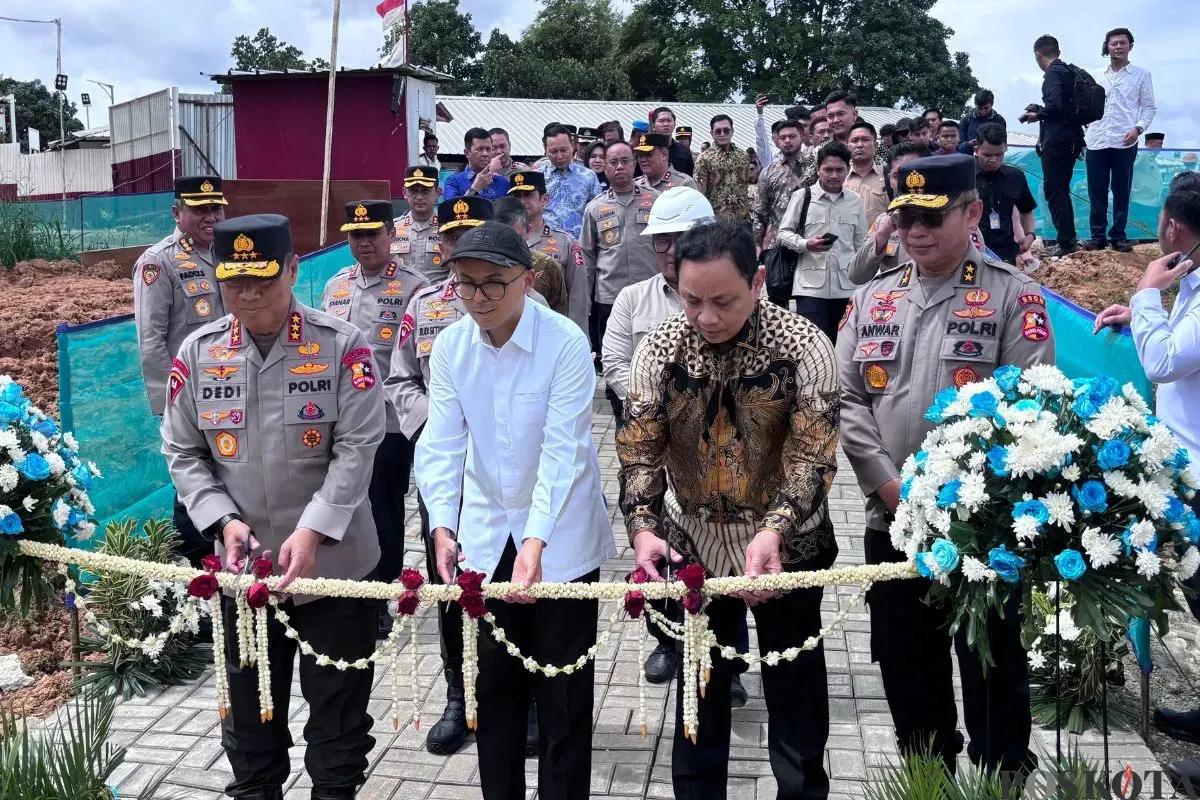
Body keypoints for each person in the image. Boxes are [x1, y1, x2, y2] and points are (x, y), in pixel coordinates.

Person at [838, 154, 1052, 778]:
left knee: (993, 670)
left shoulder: (1014, 296)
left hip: (982, 533)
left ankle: (1001, 782)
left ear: (972, 212)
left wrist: (955, 498)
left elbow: (1027, 410)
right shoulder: (873, 297)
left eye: (931, 216)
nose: (914, 230)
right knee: (908, 670)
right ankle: (927, 781)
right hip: (892, 523)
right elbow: (848, 399)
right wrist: (887, 485)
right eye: (904, 217)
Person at [162, 214, 384, 800]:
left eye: (262, 278)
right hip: (245, 575)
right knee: (249, 718)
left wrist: (314, 529)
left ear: (291, 269)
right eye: (234, 281)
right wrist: (222, 520)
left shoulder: (342, 345)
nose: (249, 293)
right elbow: (182, 450)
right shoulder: (199, 352)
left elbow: (361, 445)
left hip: (335, 571)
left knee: (338, 723)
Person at [617, 219, 840, 799]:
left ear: (759, 281)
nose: (707, 317)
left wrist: (775, 532)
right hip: (692, 546)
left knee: (794, 690)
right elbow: (640, 451)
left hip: (788, 548)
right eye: (692, 300)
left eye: (724, 301)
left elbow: (813, 458)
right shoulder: (660, 349)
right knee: (699, 693)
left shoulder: (803, 347)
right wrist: (642, 529)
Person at [415, 221, 615, 800]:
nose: (478, 298)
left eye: (494, 284)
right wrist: (442, 524)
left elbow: (563, 449)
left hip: (561, 539)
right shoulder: (452, 346)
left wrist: (535, 543)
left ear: (527, 280)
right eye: (466, 284)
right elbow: (443, 443)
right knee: (496, 686)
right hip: (485, 534)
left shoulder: (565, 343)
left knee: (563, 692)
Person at [385, 197, 545, 758]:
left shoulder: (531, 304)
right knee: (453, 585)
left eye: (471, 234)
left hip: (515, 480)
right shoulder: (423, 304)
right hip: (448, 475)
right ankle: (459, 694)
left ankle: (523, 698)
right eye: (451, 238)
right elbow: (400, 380)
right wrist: (442, 431)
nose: (457, 246)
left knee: (517, 583)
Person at [1092, 186, 1200, 790]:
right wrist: (1143, 315)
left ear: (1174, 230)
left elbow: (1164, 363)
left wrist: (1144, 293)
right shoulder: (1192, 283)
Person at [321, 200, 429, 635]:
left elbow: (417, 363)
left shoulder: (414, 288)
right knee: (344, 503)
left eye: (372, 234)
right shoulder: (336, 284)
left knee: (385, 509)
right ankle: (350, 585)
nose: (363, 243)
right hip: (339, 421)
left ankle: (385, 594)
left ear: (391, 235)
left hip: (388, 422)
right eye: (355, 235)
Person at [133, 174, 228, 569]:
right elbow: (151, 342)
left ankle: (228, 566)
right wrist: (168, 406)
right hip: (188, 399)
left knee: (228, 477)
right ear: (177, 212)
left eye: (216, 208)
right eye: (199, 209)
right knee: (191, 488)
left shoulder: (229, 253)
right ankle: (196, 585)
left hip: (232, 392)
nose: (210, 217)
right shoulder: (159, 263)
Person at [580, 141, 659, 384]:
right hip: (609, 295)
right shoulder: (595, 207)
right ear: (605, 167)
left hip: (649, 292)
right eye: (613, 162)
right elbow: (588, 256)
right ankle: (618, 405)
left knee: (653, 354)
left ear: (634, 164)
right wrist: (587, 298)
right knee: (615, 358)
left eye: (625, 161)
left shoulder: (656, 201)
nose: (620, 167)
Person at [776, 140, 869, 342]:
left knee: (844, 346)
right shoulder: (803, 196)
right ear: (818, 170)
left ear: (848, 169)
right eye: (828, 169)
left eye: (839, 170)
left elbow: (861, 245)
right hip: (809, 288)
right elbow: (783, 233)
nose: (834, 175)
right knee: (814, 346)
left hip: (846, 287)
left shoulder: (855, 200)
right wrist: (806, 244)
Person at [1084, 27, 1156, 253]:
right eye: (1113, 43)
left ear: (1130, 46)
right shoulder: (1095, 75)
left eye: (1122, 43)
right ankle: (1097, 236)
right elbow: (1084, 106)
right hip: (1096, 139)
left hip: (1124, 140)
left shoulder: (1142, 76)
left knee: (1121, 190)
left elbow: (1149, 108)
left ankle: (1118, 235)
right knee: (1096, 190)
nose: (1117, 47)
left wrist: (1138, 128)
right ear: (1107, 47)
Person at [1020, 35, 1084, 257]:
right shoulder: (1068, 71)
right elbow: (1062, 107)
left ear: (1038, 55)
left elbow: (1055, 107)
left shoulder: (1053, 74)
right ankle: (1069, 240)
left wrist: (1036, 115)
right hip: (1072, 139)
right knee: (1061, 190)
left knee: (1054, 190)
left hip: (1058, 141)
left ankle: (1066, 243)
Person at [509, 169, 589, 335]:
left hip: (554, 330)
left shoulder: (565, 242)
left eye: (528, 195)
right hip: (512, 330)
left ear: (545, 199)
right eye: (516, 197)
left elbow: (577, 296)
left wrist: (577, 336)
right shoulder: (502, 241)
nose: (522, 201)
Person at [848, 141, 930, 283]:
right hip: (894, 302)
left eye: (914, 173)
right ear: (889, 180)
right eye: (897, 176)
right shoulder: (883, 222)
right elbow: (856, 276)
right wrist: (881, 236)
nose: (907, 182)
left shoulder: (953, 218)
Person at [493, 196, 567, 322]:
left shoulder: (546, 266)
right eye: (499, 238)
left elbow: (559, 316)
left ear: (528, 231)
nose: (506, 247)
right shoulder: (478, 268)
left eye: (514, 239)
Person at [974, 123, 1038, 266]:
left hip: (1005, 252)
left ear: (1005, 149)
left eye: (999, 155)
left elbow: (1026, 210)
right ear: (977, 150)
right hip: (971, 251)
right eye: (987, 155)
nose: (993, 160)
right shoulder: (964, 176)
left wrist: (1029, 235)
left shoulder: (1015, 176)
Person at [539, 123, 603, 240]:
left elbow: (598, 212)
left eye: (564, 150)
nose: (559, 156)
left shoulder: (588, 176)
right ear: (546, 150)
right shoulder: (538, 177)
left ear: (573, 146)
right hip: (544, 244)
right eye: (553, 151)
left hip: (579, 246)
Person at [754, 119, 810, 250]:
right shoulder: (768, 172)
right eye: (783, 137)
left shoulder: (814, 169)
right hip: (776, 242)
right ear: (777, 141)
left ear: (802, 138)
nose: (787, 141)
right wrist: (757, 244)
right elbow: (760, 212)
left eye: (792, 136)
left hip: (807, 240)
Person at [692, 114, 751, 223]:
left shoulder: (743, 156)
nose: (722, 134)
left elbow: (745, 188)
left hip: (743, 220)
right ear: (711, 133)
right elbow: (699, 195)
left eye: (726, 130)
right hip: (717, 222)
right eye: (718, 131)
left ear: (732, 131)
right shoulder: (704, 159)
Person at [392, 166, 445, 283]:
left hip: (435, 298)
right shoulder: (392, 229)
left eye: (425, 191)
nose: (419, 197)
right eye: (414, 191)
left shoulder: (447, 228)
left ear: (437, 193)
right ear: (404, 193)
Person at [444, 128, 511, 201]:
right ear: (467, 153)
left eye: (488, 149)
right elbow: (451, 210)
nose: (485, 154)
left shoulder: (503, 183)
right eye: (480, 149)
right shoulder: (453, 182)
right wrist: (475, 189)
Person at [846, 120, 888, 220]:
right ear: (847, 147)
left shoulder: (888, 175)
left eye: (865, 139)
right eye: (854, 140)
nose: (859, 145)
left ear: (876, 146)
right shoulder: (839, 177)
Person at [958, 89, 1007, 155]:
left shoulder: (1000, 121)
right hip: (968, 161)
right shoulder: (966, 120)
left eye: (986, 108)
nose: (982, 112)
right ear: (975, 105)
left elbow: (1003, 146)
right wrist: (968, 144)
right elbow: (958, 147)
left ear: (992, 104)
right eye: (979, 108)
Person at [649, 106, 695, 175]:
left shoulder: (684, 151)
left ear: (674, 124)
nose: (665, 124)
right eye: (661, 121)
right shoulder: (645, 150)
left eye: (669, 120)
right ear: (653, 126)